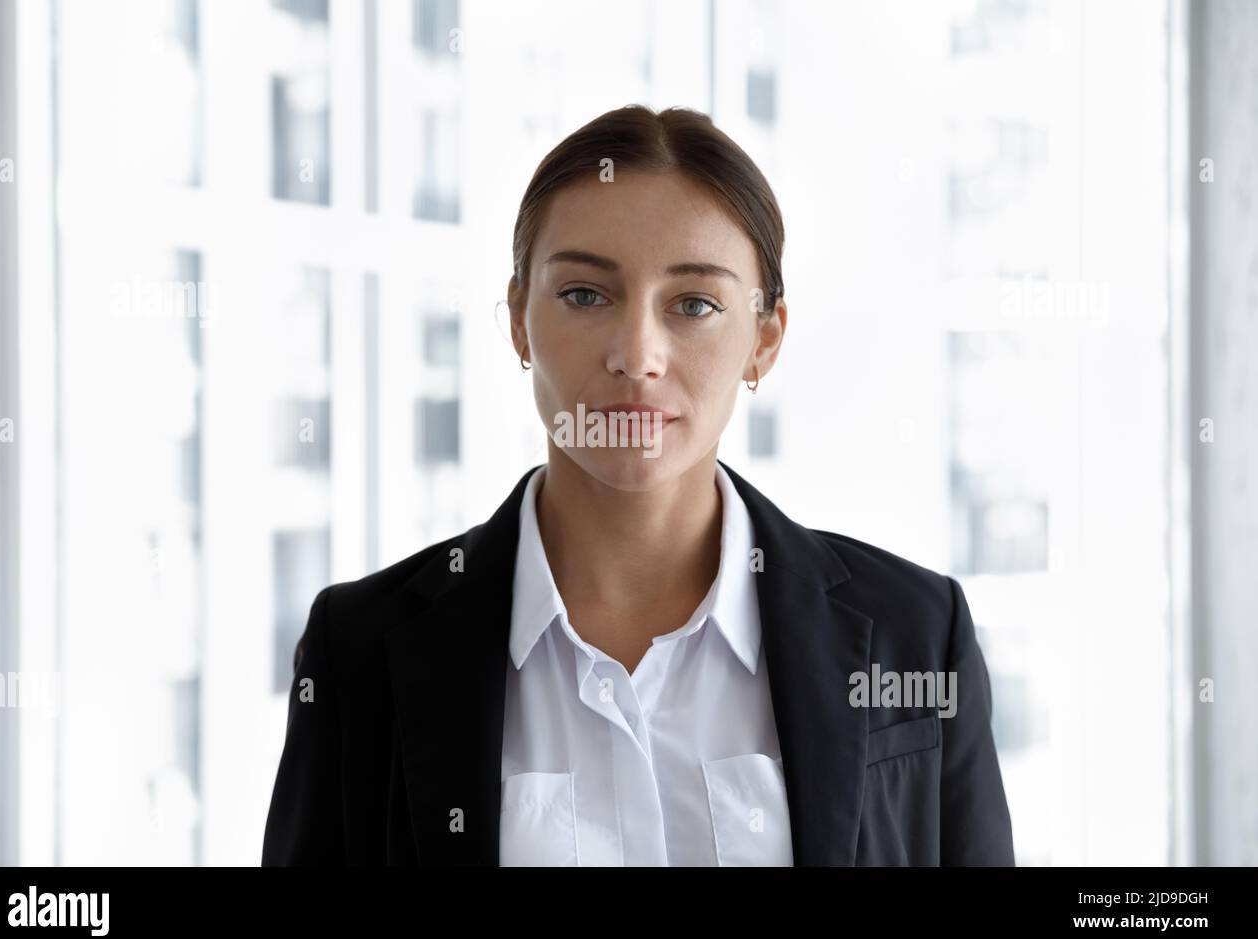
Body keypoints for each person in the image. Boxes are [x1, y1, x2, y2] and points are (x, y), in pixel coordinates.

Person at [262, 104, 1014, 866]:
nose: (637, 355)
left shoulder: (917, 633)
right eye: (585, 295)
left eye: (694, 305)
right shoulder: (358, 651)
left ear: (764, 339)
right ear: (519, 318)